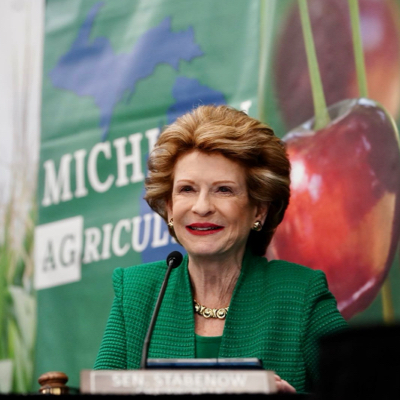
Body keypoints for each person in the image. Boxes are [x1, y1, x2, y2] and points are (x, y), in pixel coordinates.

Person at [94, 104, 348, 394]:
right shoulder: (136, 292)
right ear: (169, 208)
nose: (202, 207)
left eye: (223, 190)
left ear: (259, 210)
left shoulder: (300, 293)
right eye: (187, 189)